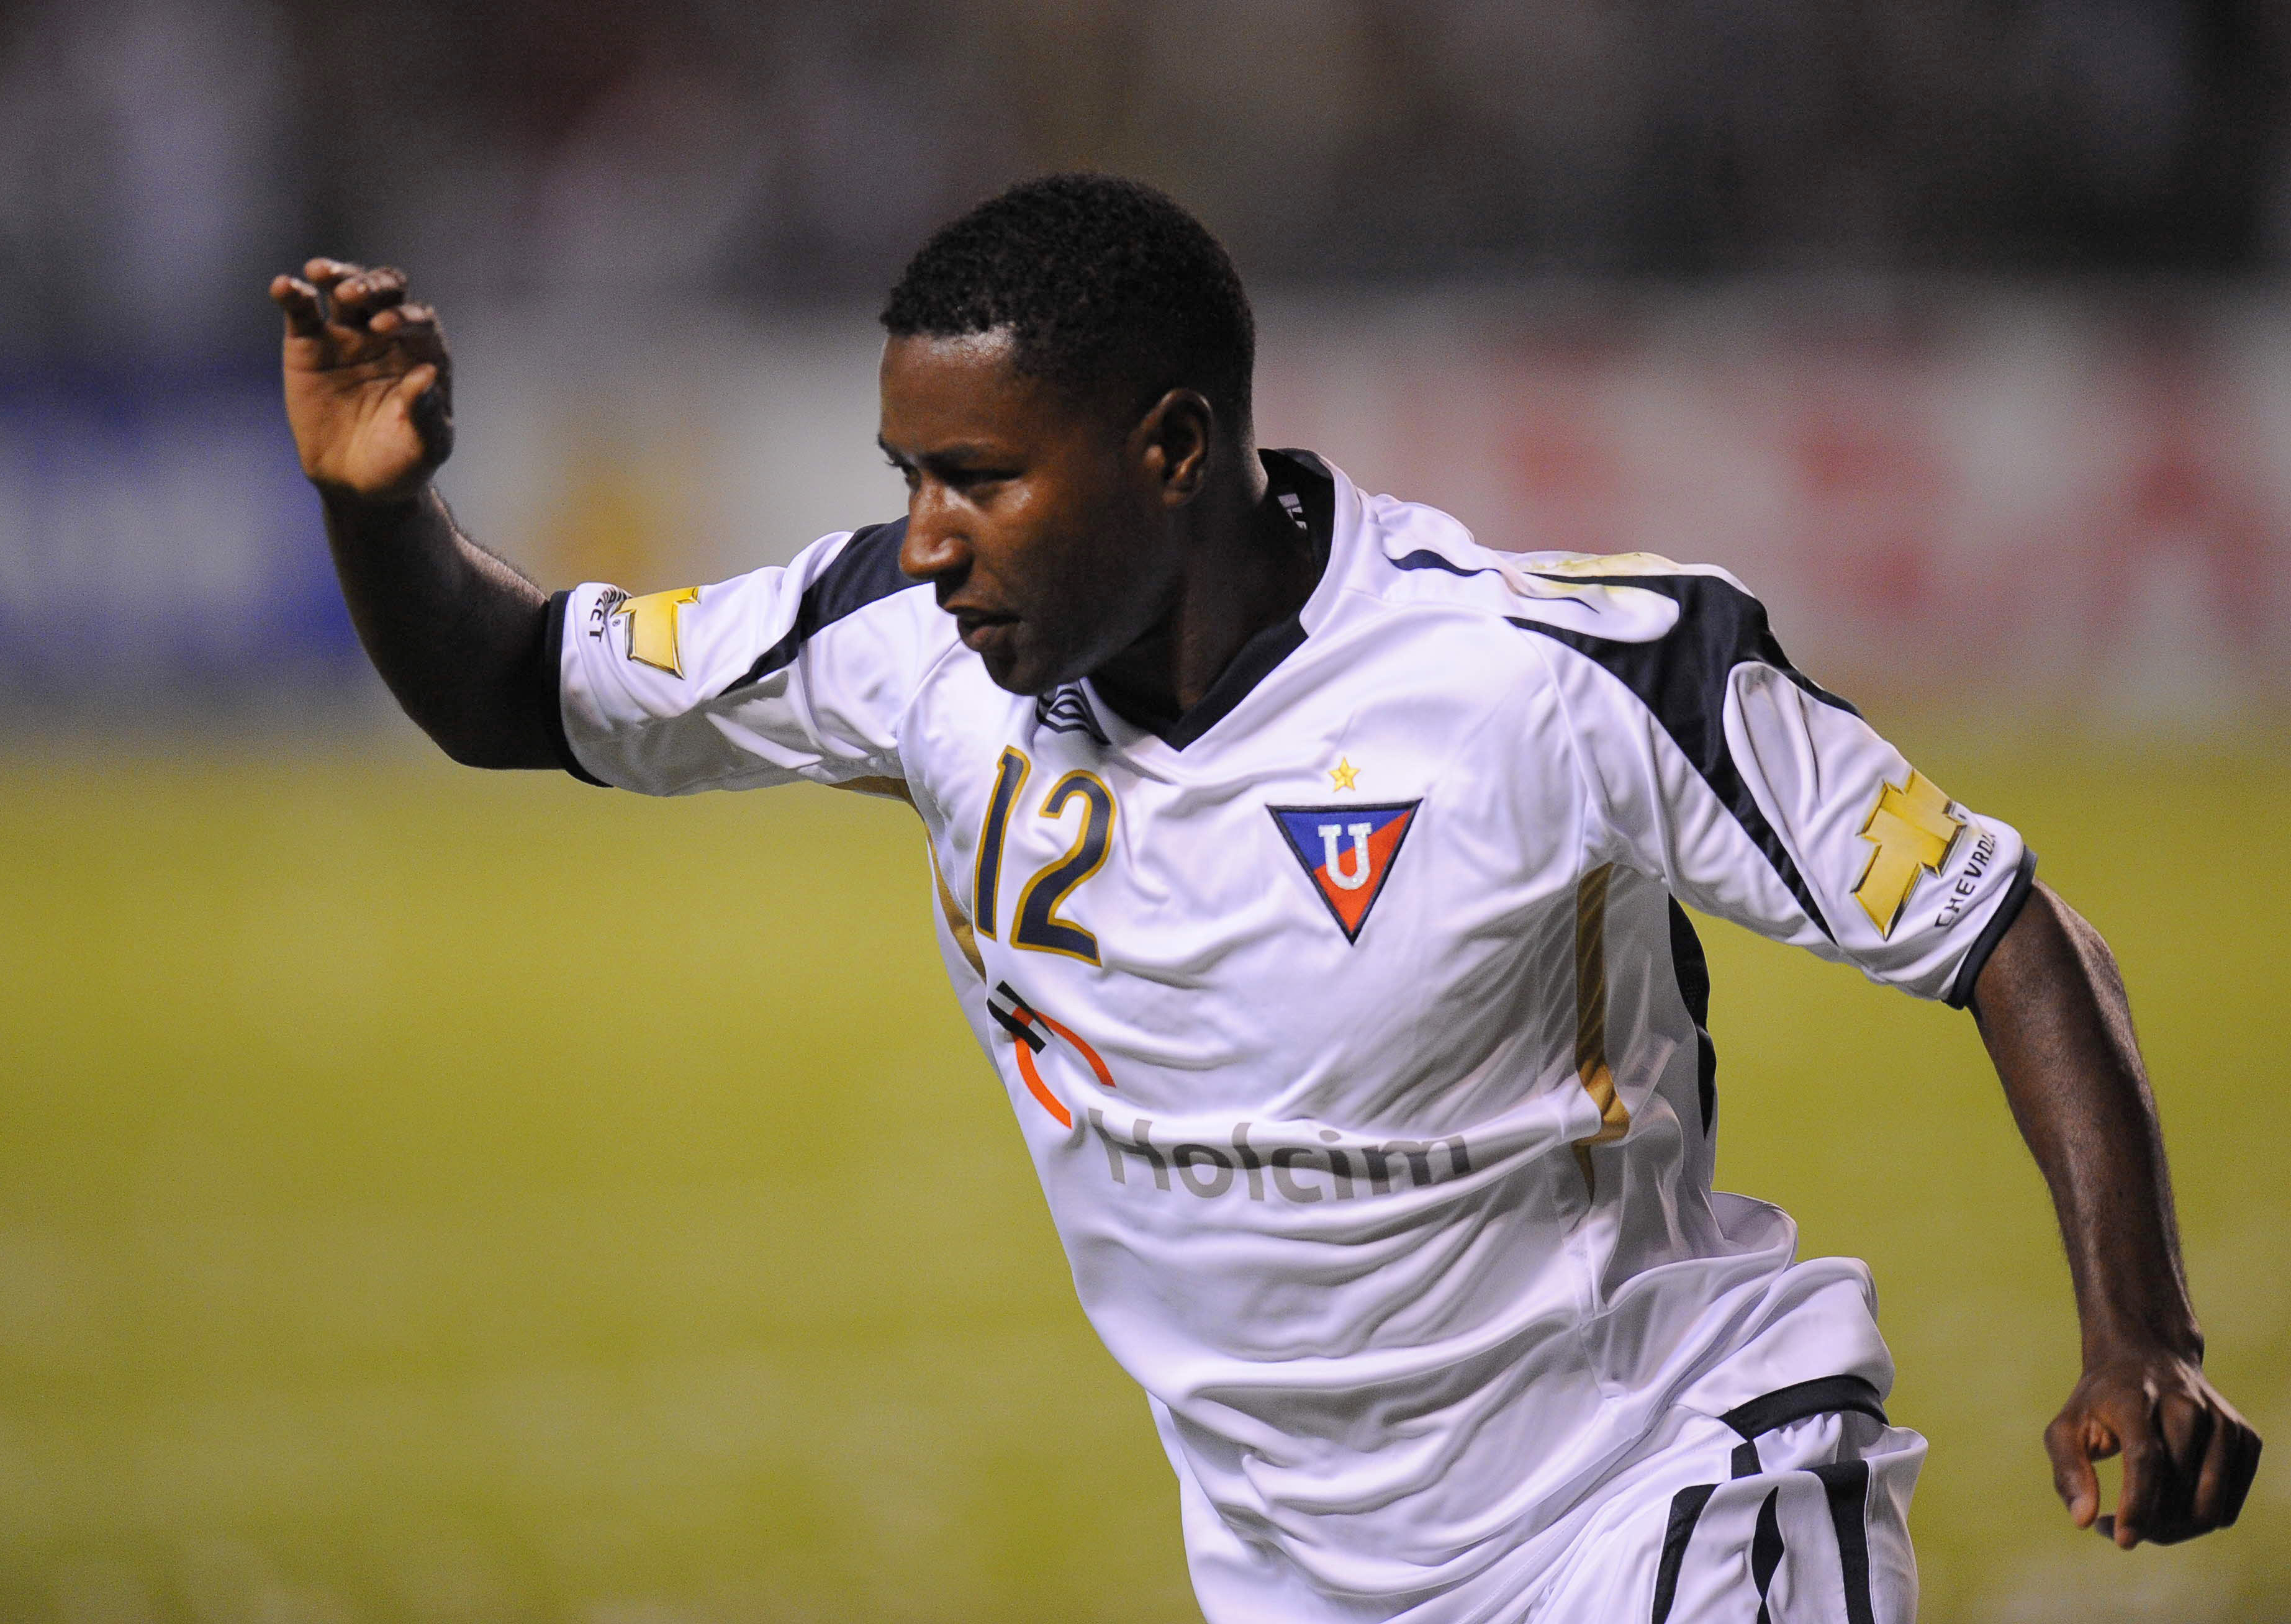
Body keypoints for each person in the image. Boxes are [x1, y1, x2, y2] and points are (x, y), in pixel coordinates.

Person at [269, 174, 2257, 1623]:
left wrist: (2138, 1336)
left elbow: (1997, 928)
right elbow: (515, 691)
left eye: (975, 477)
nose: (924, 540)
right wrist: (380, 509)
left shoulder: (1562, 676)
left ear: (1169, 447)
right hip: (1301, 1574)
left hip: (1660, 1501)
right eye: (905, 476)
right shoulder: (891, 637)